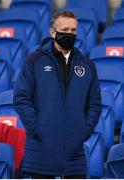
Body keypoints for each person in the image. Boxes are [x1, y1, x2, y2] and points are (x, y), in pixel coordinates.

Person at [13, 11, 102, 179]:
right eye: (65, 30)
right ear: (53, 32)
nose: (70, 34)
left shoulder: (87, 65)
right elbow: (21, 98)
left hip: (74, 155)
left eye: (73, 30)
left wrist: (84, 129)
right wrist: (37, 127)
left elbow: (95, 103)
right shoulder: (34, 61)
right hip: (41, 152)